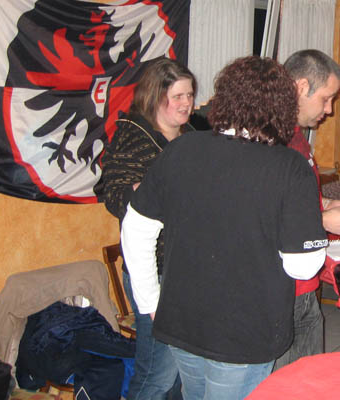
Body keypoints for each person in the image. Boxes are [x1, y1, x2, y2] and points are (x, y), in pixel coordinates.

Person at [121, 56, 327, 400]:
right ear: (282, 107)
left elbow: (135, 227)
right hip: (244, 333)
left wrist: (150, 301)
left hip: (180, 322)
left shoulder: (182, 149)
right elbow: (302, 265)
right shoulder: (290, 167)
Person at [95, 56, 197, 400]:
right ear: (155, 97)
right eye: (178, 96)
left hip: (187, 266)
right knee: (157, 372)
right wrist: (147, 190)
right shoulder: (132, 138)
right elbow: (115, 197)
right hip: (153, 269)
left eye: (190, 95)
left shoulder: (192, 135)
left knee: (184, 368)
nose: (187, 103)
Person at [273, 49, 340, 369]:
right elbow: (262, 211)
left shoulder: (296, 135)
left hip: (306, 284)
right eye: (326, 98)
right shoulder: (270, 139)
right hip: (282, 287)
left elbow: (288, 197)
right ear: (300, 87)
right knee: (286, 382)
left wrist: (322, 203)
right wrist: (322, 219)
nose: (329, 109)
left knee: (308, 377)